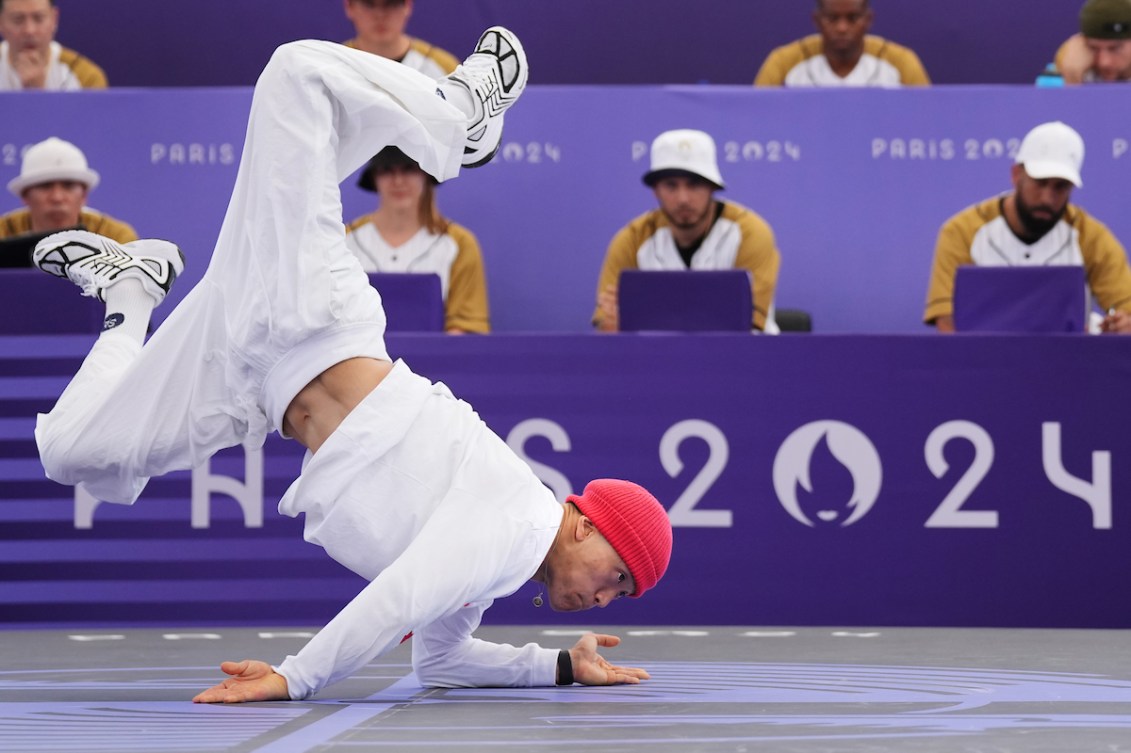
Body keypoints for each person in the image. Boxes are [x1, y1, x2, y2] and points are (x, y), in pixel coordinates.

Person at [31, 27, 673, 703]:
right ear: (583, 522)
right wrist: (294, 676)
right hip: (311, 319)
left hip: (249, 379)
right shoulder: (512, 529)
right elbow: (397, 598)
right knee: (295, 74)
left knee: (71, 452)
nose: (608, 595)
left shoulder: (495, 564)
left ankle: (129, 291)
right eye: (618, 573)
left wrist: (560, 665)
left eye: (621, 591)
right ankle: (456, 118)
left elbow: (443, 662)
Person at [924, 121, 1131, 334]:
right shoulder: (961, 231)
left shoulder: (1091, 236)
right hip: (983, 361)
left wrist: (1119, 322)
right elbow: (947, 322)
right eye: (1040, 182)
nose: (1047, 198)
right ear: (1016, 175)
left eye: (1060, 187)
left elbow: (1125, 310)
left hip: (1068, 363)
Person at [593, 128, 781, 333]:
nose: (683, 198)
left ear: (712, 187)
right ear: (656, 190)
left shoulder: (750, 233)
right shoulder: (631, 239)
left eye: (694, 185)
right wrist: (611, 323)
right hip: (655, 358)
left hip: (742, 357)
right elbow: (607, 327)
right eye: (671, 185)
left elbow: (750, 324)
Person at [347, 146, 490, 333]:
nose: (398, 181)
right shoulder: (344, 239)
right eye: (387, 170)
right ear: (374, 178)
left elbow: (467, 327)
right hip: (355, 359)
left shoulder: (460, 243)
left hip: (433, 361)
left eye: (408, 169)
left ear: (426, 175)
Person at [754, 0, 929, 88]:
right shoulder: (784, 63)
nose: (842, 28)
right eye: (832, 18)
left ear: (868, 20)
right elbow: (757, 120)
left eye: (853, 18)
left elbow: (928, 119)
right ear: (817, 20)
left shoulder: (901, 62)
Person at [1, 136, 137, 243]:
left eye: (68, 185)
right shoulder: (3, 233)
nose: (57, 197)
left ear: (84, 195)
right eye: (45, 186)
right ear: (25, 195)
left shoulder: (116, 238)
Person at [0, 0, 106, 90]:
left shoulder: (87, 77)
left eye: (39, 18)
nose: (29, 30)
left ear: (54, 19)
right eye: (18, 20)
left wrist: (37, 91)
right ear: (1, 22)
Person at [342, 0, 457, 79]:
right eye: (368, 4)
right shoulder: (333, 65)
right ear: (349, 7)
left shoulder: (444, 68)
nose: (380, 14)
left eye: (392, 4)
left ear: (408, 5)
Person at [1049, 0, 1131, 84]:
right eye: (1093, 48)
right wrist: (1071, 77)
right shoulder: (1068, 66)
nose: (1104, 62)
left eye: (1114, 48)